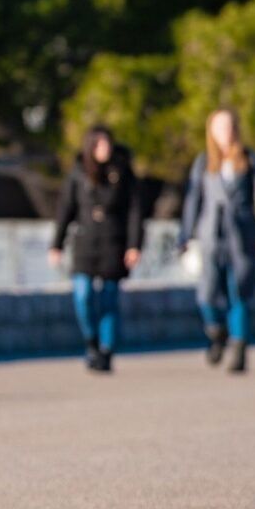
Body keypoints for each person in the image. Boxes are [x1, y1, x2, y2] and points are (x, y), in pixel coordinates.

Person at [178, 107, 255, 373]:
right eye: (219, 127)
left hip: (242, 235)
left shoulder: (250, 160)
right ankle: (216, 332)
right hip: (212, 233)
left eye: (229, 126)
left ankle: (239, 347)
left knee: (238, 291)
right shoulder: (203, 162)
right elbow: (193, 200)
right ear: (211, 131)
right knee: (207, 294)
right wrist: (185, 234)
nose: (225, 132)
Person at [49, 126, 143, 372]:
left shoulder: (123, 172)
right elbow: (65, 210)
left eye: (108, 144)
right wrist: (56, 244)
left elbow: (135, 212)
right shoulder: (78, 173)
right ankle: (91, 341)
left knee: (109, 299)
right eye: (99, 145)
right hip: (86, 243)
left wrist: (134, 245)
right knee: (83, 295)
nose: (105, 149)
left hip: (114, 242)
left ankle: (107, 349)